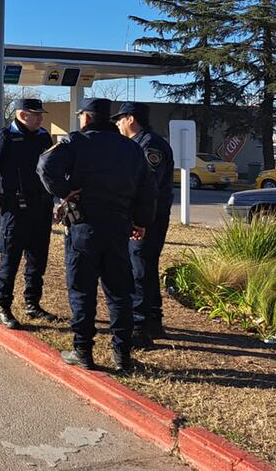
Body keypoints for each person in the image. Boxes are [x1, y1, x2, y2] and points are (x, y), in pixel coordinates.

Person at [36, 98, 157, 373]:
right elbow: (147, 189)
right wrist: (141, 222)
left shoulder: (76, 142)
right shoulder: (131, 148)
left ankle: (83, 351)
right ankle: (122, 355)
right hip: (118, 229)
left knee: (82, 290)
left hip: (84, 229)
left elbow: (44, 166)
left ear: (87, 118)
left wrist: (64, 191)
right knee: (119, 292)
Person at [0, 97, 59, 330]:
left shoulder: (43, 136)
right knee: (10, 260)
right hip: (15, 210)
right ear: (23, 115)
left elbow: (51, 170)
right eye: (37, 114)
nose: (41, 118)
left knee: (37, 260)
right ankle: (4, 306)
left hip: (41, 209)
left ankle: (32, 304)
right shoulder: (4, 138)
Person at [112, 102, 174, 347]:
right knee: (145, 268)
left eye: (120, 118)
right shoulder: (136, 144)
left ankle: (141, 328)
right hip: (143, 217)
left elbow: (146, 186)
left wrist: (138, 220)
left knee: (140, 270)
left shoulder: (150, 145)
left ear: (130, 119)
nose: (117, 123)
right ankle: (153, 320)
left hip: (148, 218)